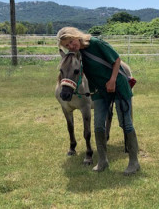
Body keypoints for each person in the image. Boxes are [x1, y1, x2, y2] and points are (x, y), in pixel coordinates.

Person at [57, 27, 140, 175]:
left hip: (118, 85)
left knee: (125, 122)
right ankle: (102, 160)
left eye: (70, 42)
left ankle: (134, 162)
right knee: (98, 124)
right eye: (66, 46)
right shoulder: (77, 54)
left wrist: (113, 80)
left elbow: (116, 60)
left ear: (76, 36)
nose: (70, 46)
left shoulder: (95, 43)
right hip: (99, 91)